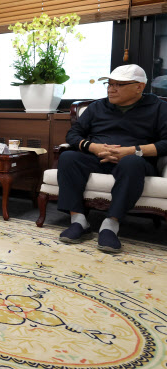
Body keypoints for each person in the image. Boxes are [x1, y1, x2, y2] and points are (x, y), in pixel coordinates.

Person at [57, 64, 167, 253]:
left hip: (135, 161)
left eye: (119, 85)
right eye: (109, 84)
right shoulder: (97, 106)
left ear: (139, 87)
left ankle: (110, 225)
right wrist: (93, 147)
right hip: (97, 157)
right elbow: (73, 135)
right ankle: (79, 221)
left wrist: (133, 151)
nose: (111, 89)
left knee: (131, 163)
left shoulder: (159, 108)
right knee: (68, 157)